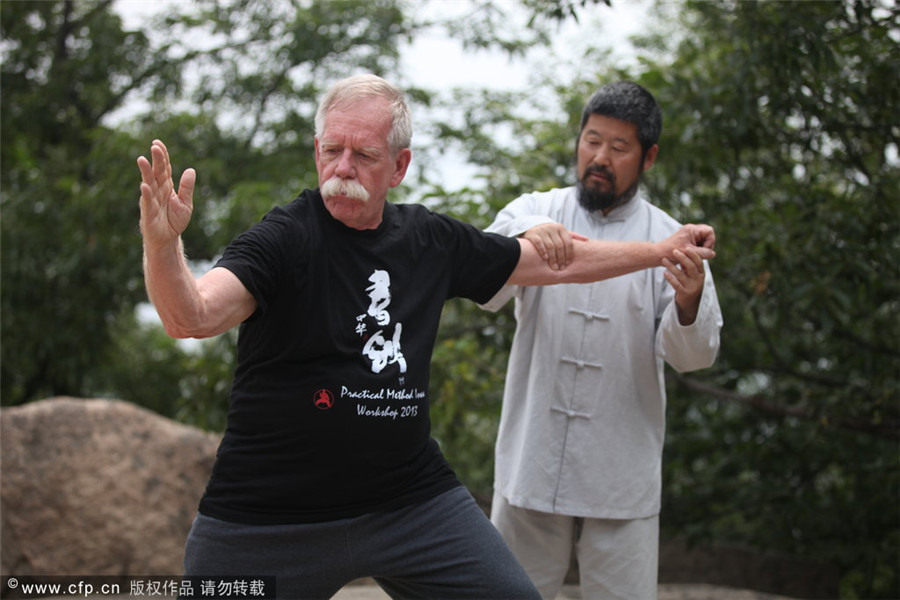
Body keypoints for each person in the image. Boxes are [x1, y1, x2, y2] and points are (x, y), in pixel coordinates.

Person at [137, 74, 716, 600]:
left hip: (408, 503)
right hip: (269, 519)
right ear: (316, 151)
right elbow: (192, 315)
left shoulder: (427, 240)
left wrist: (663, 252)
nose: (343, 167)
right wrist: (163, 245)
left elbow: (550, 264)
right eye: (332, 150)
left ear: (399, 166)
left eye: (363, 155)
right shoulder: (283, 237)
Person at [482, 81, 723, 600]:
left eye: (619, 148)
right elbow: (483, 285)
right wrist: (531, 231)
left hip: (622, 474)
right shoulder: (535, 210)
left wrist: (688, 299)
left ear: (648, 157)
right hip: (533, 459)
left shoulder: (671, 236)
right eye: (592, 141)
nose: (600, 157)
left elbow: (695, 357)